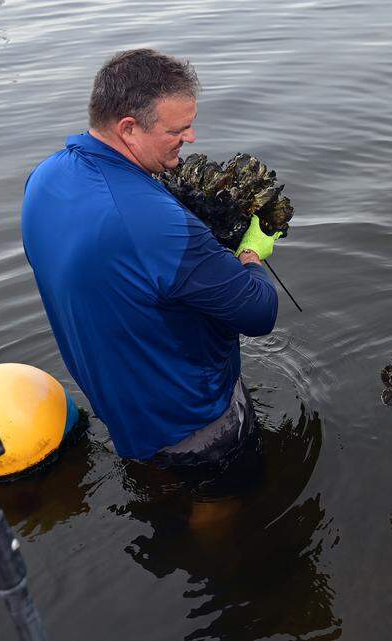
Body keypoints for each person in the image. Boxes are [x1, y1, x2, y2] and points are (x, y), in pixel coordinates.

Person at [21, 49, 282, 467]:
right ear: (129, 128)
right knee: (223, 501)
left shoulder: (44, 179)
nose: (191, 138)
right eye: (179, 128)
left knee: (159, 492)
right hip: (195, 423)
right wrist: (251, 252)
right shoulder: (159, 228)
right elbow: (259, 312)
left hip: (120, 406)